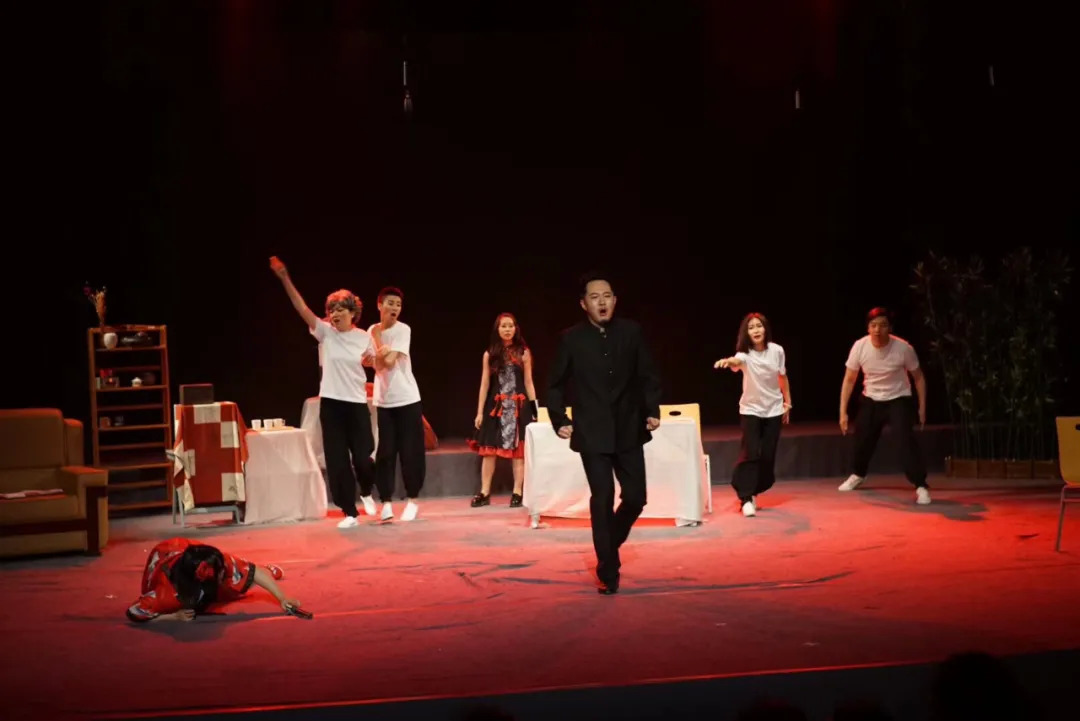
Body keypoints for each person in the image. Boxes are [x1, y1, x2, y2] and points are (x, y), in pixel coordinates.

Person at [546, 272, 662, 594]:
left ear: (615, 301)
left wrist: (652, 409)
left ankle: (609, 542)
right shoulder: (571, 339)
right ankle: (608, 570)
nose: (602, 302)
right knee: (603, 498)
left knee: (636, 497)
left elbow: (648, 374)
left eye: (607, 296)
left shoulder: (632, 332)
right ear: (584, 304)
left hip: (628, 428)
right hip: (592, 432)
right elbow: (554, 385)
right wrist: (559, 419)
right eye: (595, 297)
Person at [271, 256, 380, 528]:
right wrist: (285, 278)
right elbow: (301, 307)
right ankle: (349, 512)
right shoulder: (325, 333)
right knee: (337, 460)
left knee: (363, 458)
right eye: (331, 310)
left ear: (352, 313)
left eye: (340, 309)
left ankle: (366, 491)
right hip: (331, 405)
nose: (334, 314)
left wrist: (374, 361)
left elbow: (374, 362)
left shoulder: (364, 337)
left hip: (356, 404)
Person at [839, 307, 930, 504]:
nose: (877, 330)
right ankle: (858, 474)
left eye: (882, 325)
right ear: (868, 328)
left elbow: (919, 378)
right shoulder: (860, 347)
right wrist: (842, 412)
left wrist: (922, 408)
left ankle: (920, 485)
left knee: (905, 441)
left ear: (890, 328)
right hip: (871, 398)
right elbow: (849, 379)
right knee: (862, 439)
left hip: (898, 398)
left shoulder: (903, 348)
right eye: (873, 325)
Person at [714, 312, 792, 517]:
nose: (756, 330)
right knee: (750, 453)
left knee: (767, 456)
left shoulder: (777, 351)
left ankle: (751, 489)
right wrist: (727, 361)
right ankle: (746, 498)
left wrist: (788, 402)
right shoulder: (744, 355)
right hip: (751, 410)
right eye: (751, 327)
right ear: (746, 333)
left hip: (774, 409)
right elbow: (735, 361)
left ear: (765, 329)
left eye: (759, 326)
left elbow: (782, 377)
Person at [126, 537, 300, 622]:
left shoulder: (216, 561)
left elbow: (254, 572)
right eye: (221, 571)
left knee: (236, 582)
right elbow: (135, 611)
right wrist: (172, 617)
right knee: (226, 587)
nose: (225, 568)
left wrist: (282, 598)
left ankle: (268, 569)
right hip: (164, 557)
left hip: (183, 548)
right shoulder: (165, 592)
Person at [468, 312, 538, 508]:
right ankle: (484, 492)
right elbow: (484, 384)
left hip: (518, 407)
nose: (507, 329)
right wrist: (479, 412)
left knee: (518, 451)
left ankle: (517, 492)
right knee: (489, 451)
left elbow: (529, 382)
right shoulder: (490, 354)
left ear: (516, 329)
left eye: (510, 326)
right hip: (496, 407)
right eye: (503, 326)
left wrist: (535, 409)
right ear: (497, 329)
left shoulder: (523, 353)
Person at [369, 286, 425, 522]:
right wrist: (378, 346)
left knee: (410, 451)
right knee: (385, 452)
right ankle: (386, 502)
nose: (395, 308)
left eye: (398, 305)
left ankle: (412, 500)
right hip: (384, 400)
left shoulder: (403, 330)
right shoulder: (371, 330)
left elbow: (389, 362)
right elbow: (371, 363)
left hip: (407, 398)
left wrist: (379, 349)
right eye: (390, 303)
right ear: (379, 305)